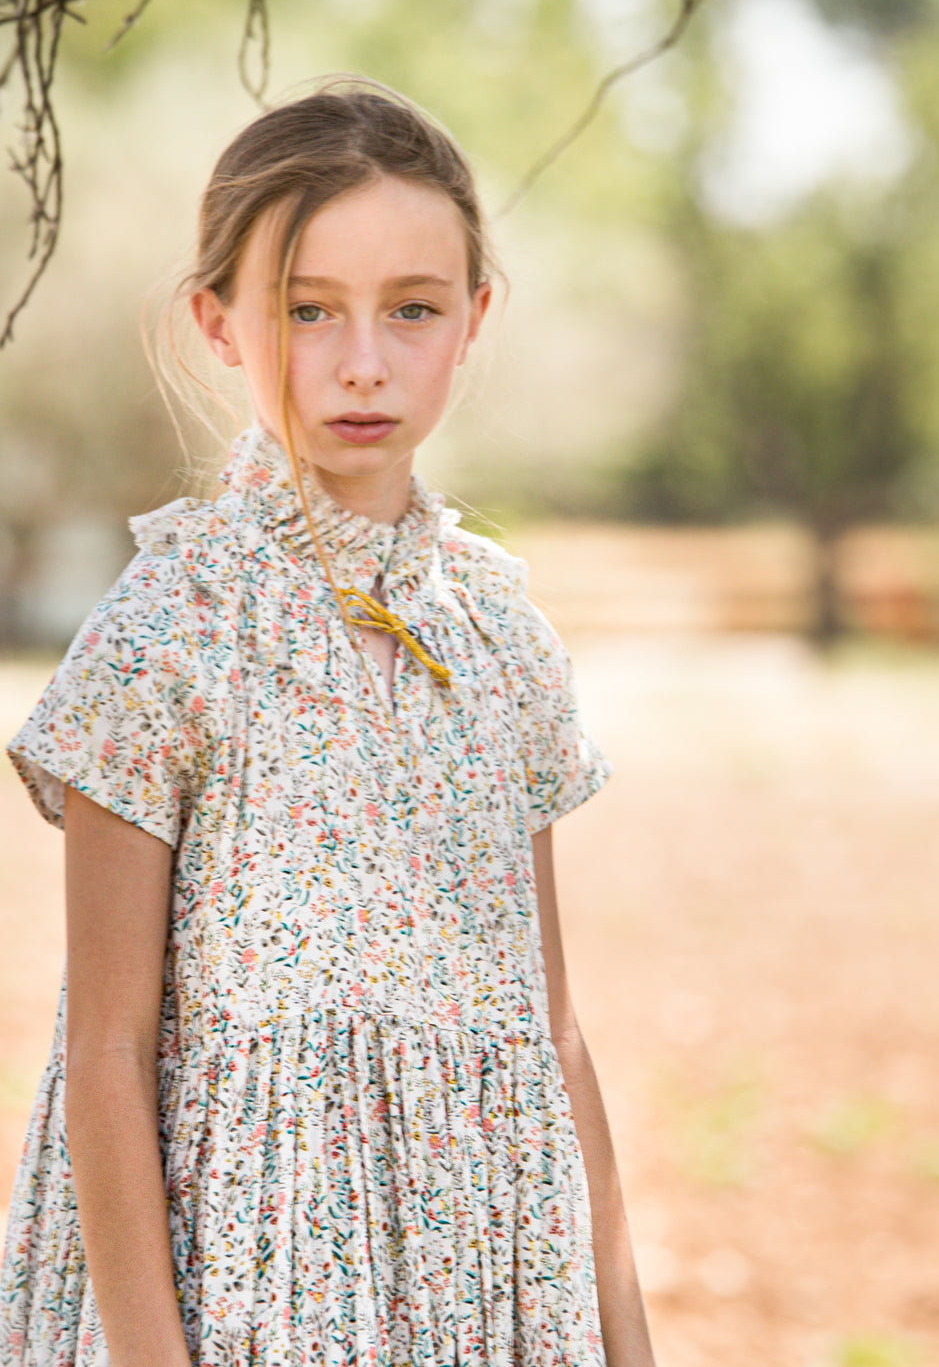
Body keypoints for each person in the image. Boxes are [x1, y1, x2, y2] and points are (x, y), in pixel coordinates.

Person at [0, 79, 655, 1367]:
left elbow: (552, 1027)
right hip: (241, 1290)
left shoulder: (502, 641)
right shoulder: (171, 631)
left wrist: (624, 1338)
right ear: (220, 324)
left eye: (412, 310)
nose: (364, 360)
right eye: (309, 310)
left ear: (474, 320)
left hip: (483, 1281)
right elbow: (106, 1050)